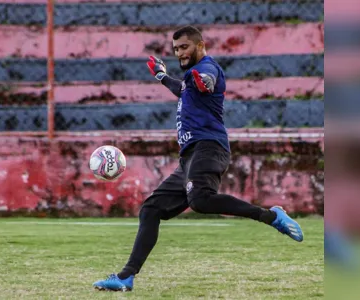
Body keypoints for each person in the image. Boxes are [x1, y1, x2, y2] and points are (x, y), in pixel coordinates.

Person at [93, 26, 304, 292]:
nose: (180, 52)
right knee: (151, 210)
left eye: (185, 47)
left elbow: (208, 79)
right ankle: (126, 277)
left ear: (200, 45)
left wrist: (203, 80)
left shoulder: (207, 67)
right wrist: (161, 76)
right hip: (190, 157)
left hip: (209, 147)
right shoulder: (189, 80)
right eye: (177, 49)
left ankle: (270, 216)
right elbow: (183, 89)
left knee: (201, 199)